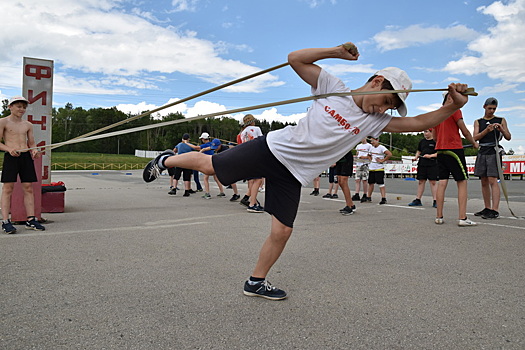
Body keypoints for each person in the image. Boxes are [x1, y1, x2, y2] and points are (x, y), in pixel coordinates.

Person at [143, 42, 471, 300]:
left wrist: (452, 106)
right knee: (211, 167)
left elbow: (418, 122)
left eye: (389, 107)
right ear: (376, 81)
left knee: (282, 231)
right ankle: (164, 161)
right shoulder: (333, 86)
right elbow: (295, 59)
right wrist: (336, 53)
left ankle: (255, 281)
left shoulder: (376, 121)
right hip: (271, 148)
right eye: (386, 100)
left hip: (293, 174)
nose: (384, 108)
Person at [0, 96, 46, 233]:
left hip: (25, 156)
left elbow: (31, 142)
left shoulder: (28, 125)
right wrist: (9, 149)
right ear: (10, 107)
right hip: (11, 156)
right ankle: (5, 221)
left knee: (28, 188)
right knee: (8, 188)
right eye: (19, 106)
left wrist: (34, 150)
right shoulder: (3, 122)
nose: (22, 109)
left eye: (24, 107)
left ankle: (31, 220)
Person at [433, 93, 479, 226]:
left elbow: (435, 137)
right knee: (462, 182)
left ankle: (439, 216)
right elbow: (464, 131)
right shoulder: (454, 109)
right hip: (453, 150)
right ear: (449, 98)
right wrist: (474, 143)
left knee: (442, 182)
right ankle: (462, 218)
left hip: (440, 151)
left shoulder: (437, 113)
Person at [473, 97, 511, 219]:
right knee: (483, 181)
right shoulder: (478, 121)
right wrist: (486, 131)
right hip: (482, 151)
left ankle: (495, 209)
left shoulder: (501, 120)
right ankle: (487, 207)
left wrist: (502, 130)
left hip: (494, 152)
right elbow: (475, 137)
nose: (492, 111)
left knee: (492, 180)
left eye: (494, 109)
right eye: (490, 108)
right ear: (484, 107)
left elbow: (508, 137)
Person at [239, 114, 264, 213]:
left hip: (246, 156)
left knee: (253, 181)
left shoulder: (242, 133)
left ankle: (251, 200)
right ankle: (252, 203)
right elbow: (261, 141)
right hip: (255, 155)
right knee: (258, 180)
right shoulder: (256, 128)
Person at [408, 129, 438, 207]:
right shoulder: (422, 141)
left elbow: (439, 153)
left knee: (433, 182)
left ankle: (436, 200)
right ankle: (418, 200)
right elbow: (419, 151)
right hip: (422, 164)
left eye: (426, 131)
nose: (425, 133)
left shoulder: (436, 141)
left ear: (431, 132)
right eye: (424, 132)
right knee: (421, 181)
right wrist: (416, 157)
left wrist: (430, 156)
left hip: (432, 164)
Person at [198, 132, 226, 199]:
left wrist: (199, 153)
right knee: (216, 178)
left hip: (208, 163)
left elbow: (200, 148)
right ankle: (222, 192)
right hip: (214, 161)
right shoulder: (212, 144)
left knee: (205, 178)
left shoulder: (206, 145)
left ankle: (207, 193)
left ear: (203, 139)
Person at [366, 136, 392, 204]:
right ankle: (369, 197)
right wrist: (371, 159)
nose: (372, 142)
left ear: (377, 140)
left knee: (380, 183)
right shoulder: (371, 148)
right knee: (371, 183)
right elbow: (368, 155)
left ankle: (383, 198)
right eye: (370, 141)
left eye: (373, 141)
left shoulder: (381, 147)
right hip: (372, 168)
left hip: (379, 168)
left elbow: (389, 154)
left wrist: (382, 160)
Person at [335, 150, 356, 215]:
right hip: (339, 158)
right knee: (340, 181)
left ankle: (349, 206)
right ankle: (351, 204)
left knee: (343, 181)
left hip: (346, 158)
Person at [353, 137, 372, 202]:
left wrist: (364, 157)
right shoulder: (358, 146)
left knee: (364, 180)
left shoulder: (369, 146)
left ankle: (365, 194)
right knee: (357, 180)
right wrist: (357, 157)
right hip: (359, 164)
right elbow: (357, 153)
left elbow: (371, 156)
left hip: (365, 164)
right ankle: (357, 193)